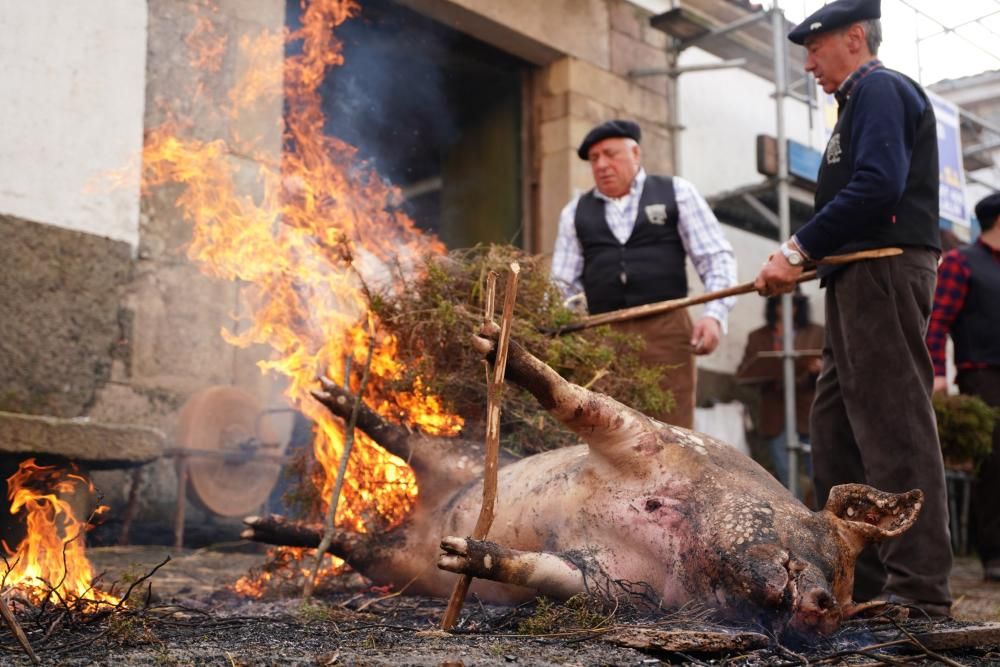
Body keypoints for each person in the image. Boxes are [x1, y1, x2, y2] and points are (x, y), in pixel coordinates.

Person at [753, 0, 952, 616]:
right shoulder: (853, 105)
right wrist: (812, 258)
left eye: (815, 49)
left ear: (856, 38)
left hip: (883, 271)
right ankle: (853, 581)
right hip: (852, 277)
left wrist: (798, 247)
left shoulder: (881, 90)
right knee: (835, 429)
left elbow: (878, 186)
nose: (808, 64)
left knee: (894, 426)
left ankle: (918, 590)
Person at [551, 119, 737, 429]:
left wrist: (714, 315)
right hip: (602, 333)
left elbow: (715, 256)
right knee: (605, 432)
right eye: (594, 159)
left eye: (610, 154)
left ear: (635, 153)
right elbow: (562, 284)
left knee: (670, 434)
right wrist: (557, 331)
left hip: (666, 329)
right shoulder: (574, 213)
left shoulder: (676, 192)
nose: (602, 165)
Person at [927, 192, 1000, 582]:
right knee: (995, 463)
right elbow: (937, 321)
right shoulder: (960, 262)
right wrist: (937, 370)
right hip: (982, 374)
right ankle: (993, 553)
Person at [736, 291, 824, 494]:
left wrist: (816, 371)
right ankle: (796, 522)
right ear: (772, 307)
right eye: (779, 304)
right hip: (775, 413)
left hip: (808, 412)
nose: (785, 309)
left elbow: (833, 371)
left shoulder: (817, 333)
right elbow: (743, 374)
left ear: (799, 307)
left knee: (819, 472)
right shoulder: (758, 336)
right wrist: (768, 369)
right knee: (786, 477)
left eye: (793, 304)